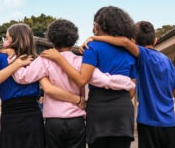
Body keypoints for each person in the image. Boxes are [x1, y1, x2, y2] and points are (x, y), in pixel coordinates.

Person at [10, 19, 135, 148]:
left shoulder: (44, 59)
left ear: (51, 40)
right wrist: (128, 83)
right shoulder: (82, 61)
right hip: (77, 121)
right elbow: (104, 80)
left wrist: (13, 58)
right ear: (74, 39)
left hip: (54, 121)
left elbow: (21, 77)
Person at [41, 6, 137, 148]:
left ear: (96, 26)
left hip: (99, 109)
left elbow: (81, 79)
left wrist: (59, 59)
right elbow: (132, 90)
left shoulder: (93, 48)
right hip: (123, 110)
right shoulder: (129, 52)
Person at [82, 21, 175, 148]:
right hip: (169, 124)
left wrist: (94, 38)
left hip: (148, 123)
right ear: (155, 41)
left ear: (133, 41)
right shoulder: (167, 61)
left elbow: (125, 42)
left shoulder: (143, 55)